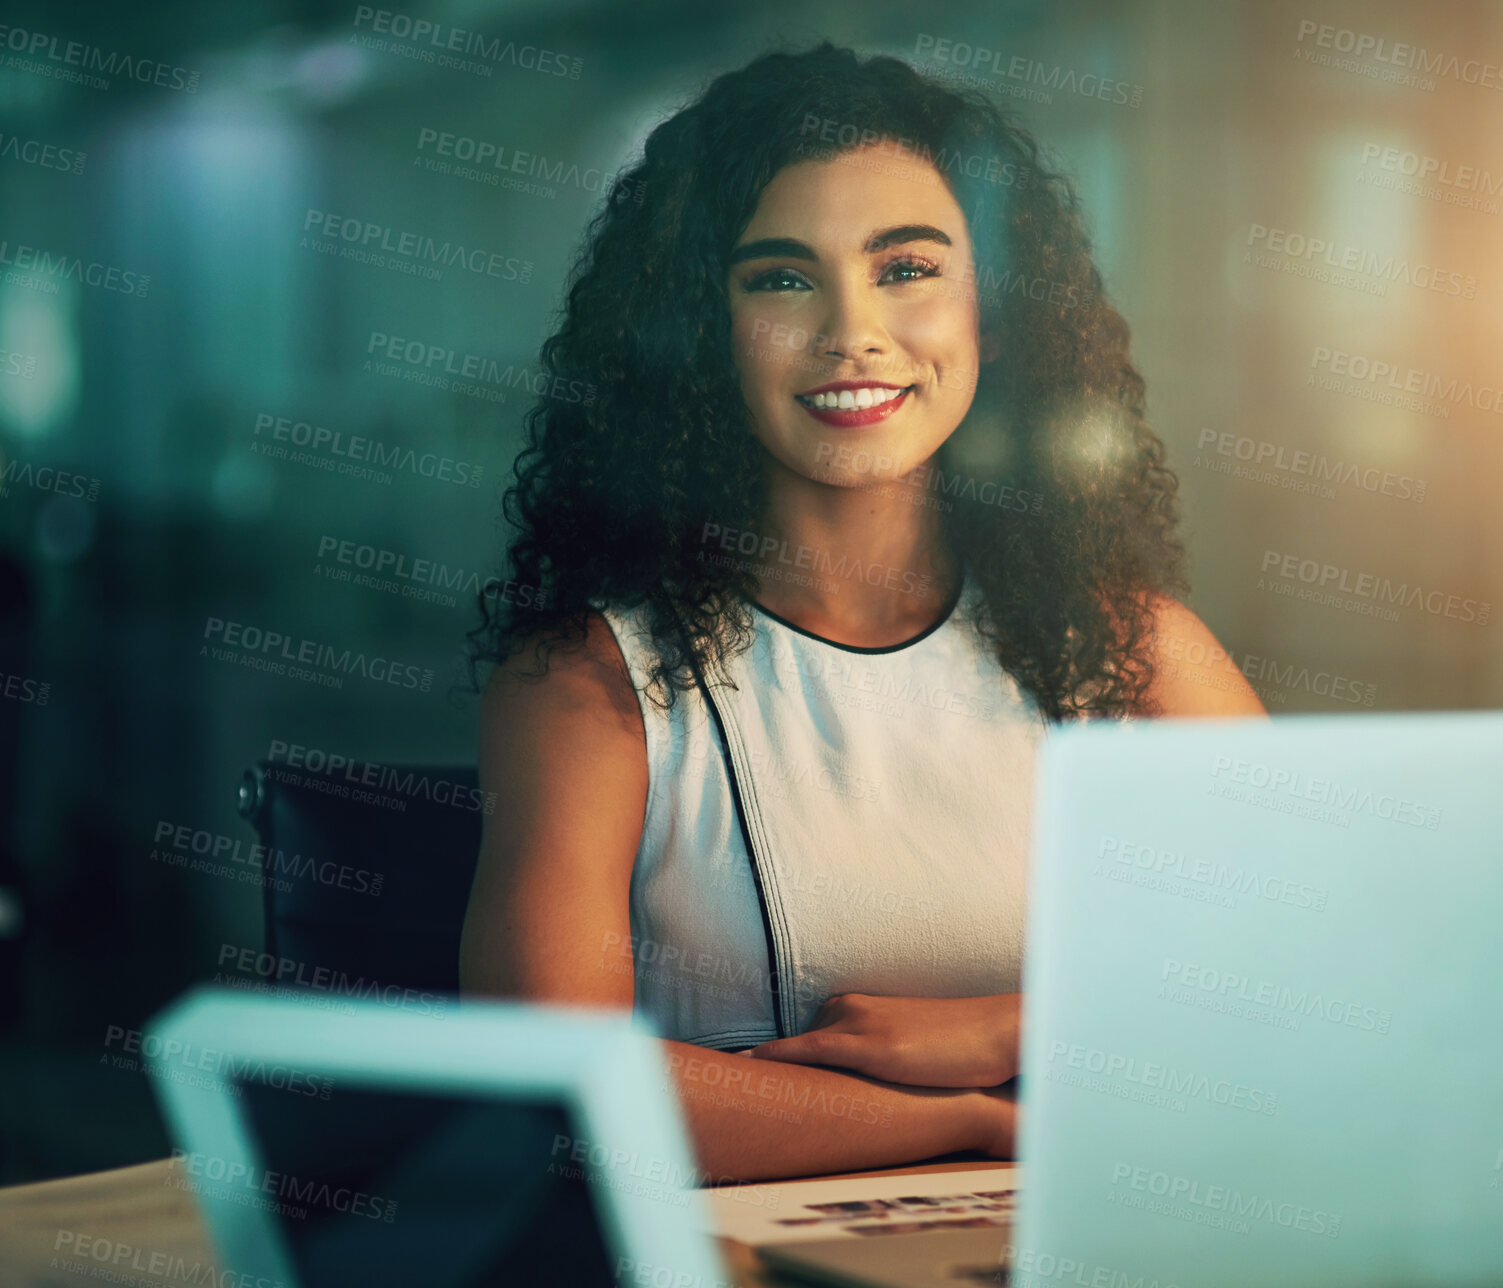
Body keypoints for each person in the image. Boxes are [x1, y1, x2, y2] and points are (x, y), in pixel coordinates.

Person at [458, 41, 1265, 1184]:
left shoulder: (1136, 649)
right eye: (781, 278)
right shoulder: (586, 684)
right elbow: (551, 1078)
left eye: (908, 268)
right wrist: (979, 1121)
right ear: (701, 331)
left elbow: (1329, 989)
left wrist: (1006, 1030)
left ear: (997, 308)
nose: (853, 331)